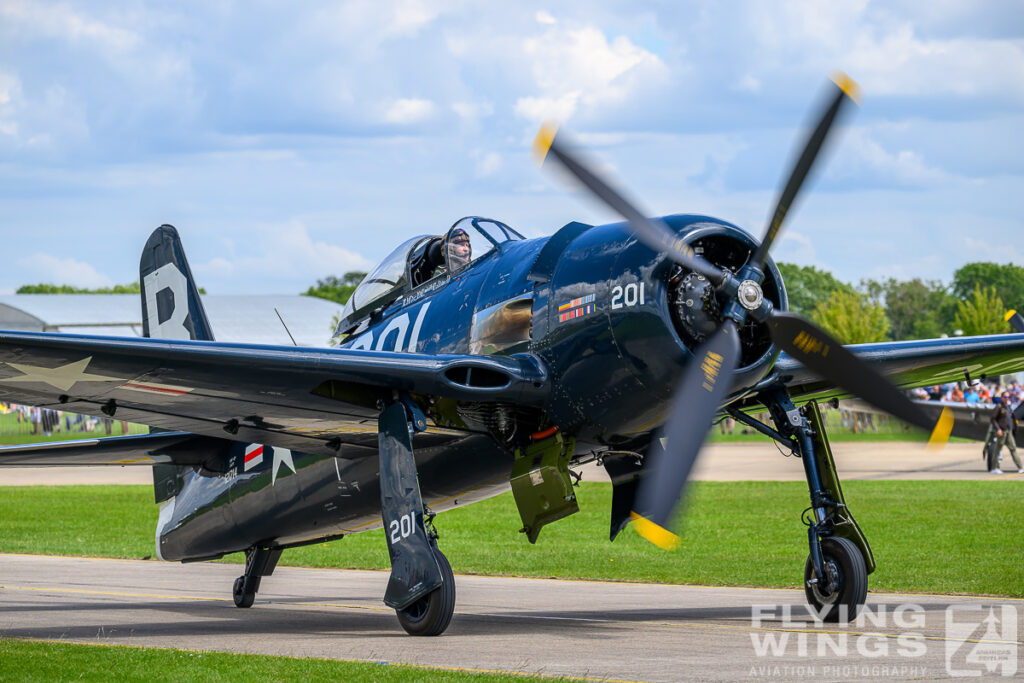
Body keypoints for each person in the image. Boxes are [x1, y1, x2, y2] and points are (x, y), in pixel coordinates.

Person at [988, 392, 1022, 474]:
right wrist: (998, 429)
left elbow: (1012, 418)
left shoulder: (1009, 407)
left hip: (1008, 431)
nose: (1007, 398)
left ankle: (1020, 467)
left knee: (1013, 448)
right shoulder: (999, 407)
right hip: (1002, 431)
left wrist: (1014, 427)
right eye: (1005, 396)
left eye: (1008, 396)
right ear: (1002, 397)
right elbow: (993, 419)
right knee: (998, 449)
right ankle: (994, 468)